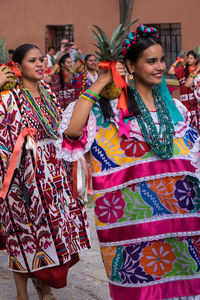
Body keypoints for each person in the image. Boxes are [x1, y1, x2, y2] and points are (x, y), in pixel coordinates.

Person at [56, 24, 200, 300]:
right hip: (136, 230)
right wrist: (101, 81)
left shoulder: (176, 110)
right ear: (130, 66)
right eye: (151, 61)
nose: (160, 67)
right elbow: (72, 132)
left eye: (161, 60)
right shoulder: (108, 110)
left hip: (182, 225)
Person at [0, 43, 90, 300]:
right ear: (17, 67)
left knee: (51, 232)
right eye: (32, 60)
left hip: (53, 177)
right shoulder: (8, 97)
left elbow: (61, 130)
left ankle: (44, 285)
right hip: (22, 178)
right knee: (23, 234)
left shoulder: (48, 92)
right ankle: (21, 294)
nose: (40, 64)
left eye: (41, 59)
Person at [168, 50, 199, 131]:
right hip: (185, 103)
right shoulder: (182, 70)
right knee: (187, 126)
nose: (189, 60)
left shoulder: (198, 72)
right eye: (188, 58)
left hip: (195, 104)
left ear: (196, 60)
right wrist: (177, 61)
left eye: (191, 58)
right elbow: (170, 71)